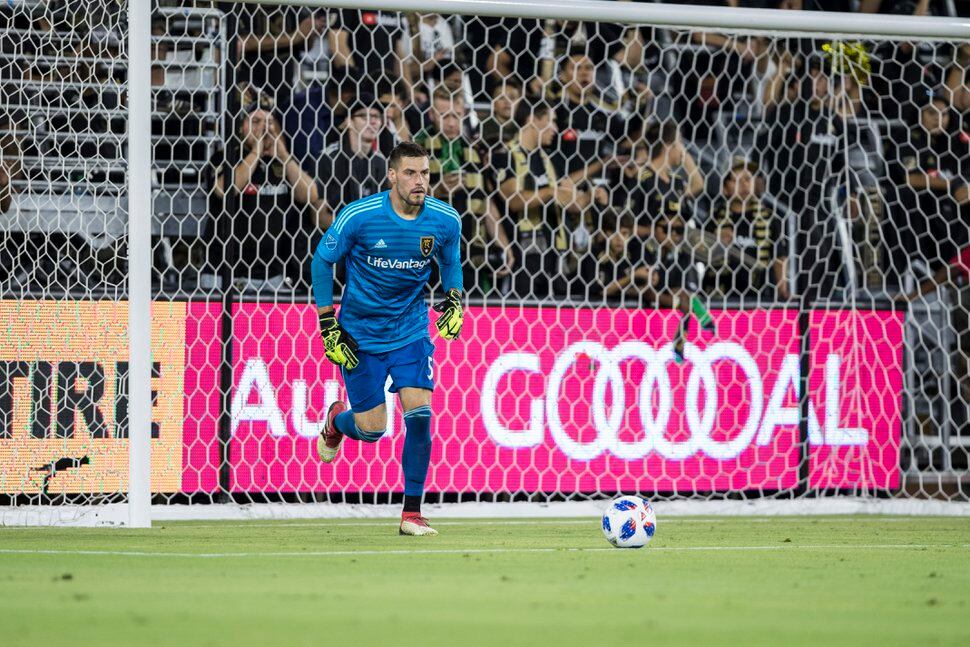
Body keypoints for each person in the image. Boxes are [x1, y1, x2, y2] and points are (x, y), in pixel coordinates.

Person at [309, 142, 463, 536]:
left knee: (420, 415)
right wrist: (328, 323)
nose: (419, 181)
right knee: (372, 429)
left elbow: (450, 261)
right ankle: (336, 422)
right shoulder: (359, 216)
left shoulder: (445, 220)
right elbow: (322, 261)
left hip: (410, 329)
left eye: (425, 173)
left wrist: (454, 298)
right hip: (360, 334)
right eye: (410, 173)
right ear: (392, 175)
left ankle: (412, 513)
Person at [208, 107, 327, 293]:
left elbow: (310, 195)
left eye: (269, 122)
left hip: (271, 275)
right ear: (241, 128)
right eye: (256, 121)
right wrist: (256, 152)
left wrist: (284, 156)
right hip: (224, 273)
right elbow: (225, 190)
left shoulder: (282, 162)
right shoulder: (226, 156)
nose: (264, 127)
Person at [414, 89, 514, 294]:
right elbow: (402, 201)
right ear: (431, 115)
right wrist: (437, 190)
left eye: (456, 115)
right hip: (429, 254)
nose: (451, 123)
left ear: (464, 115)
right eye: (444, 116)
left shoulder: (475, 151)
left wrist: (504, 245)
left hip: (472, 254)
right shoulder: (416, 150)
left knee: (472, 310)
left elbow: (485, 203)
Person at [496, 101, 591, 299]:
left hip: (555, 257)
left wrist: (591, 195)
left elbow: (570, 202)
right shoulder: (505, 155)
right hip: (523, 257)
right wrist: (551, 192)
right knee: (521, 314)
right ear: (533, 119)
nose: (555, 128)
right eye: (551, 121)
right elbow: (514, 200)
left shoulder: (548, 159)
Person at [706, 159, 790, 302]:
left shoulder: (769, 218)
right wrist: (715, 242)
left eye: (748, 179)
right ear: (724, 187)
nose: (744, 184)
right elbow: (698, 253)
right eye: (737, 180)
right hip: (720, 296)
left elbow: (779, 257)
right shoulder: (715, 217)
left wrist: (782, 290)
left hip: (759, 296)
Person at [317, 95, 387, 208]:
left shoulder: (380, 161)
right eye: (364, 116)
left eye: (377, 116)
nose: (373, 121)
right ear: (349, 121)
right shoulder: (329, 157)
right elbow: (320, 214)